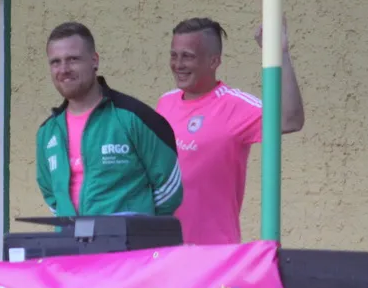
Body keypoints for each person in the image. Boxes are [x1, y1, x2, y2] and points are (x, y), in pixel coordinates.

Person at [156, 17, 305, 245]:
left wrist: (280, 53)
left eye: (188, 56)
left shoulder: (235, 105)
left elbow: (290, 120)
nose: (178, 64)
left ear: (214, 61)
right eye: (174, 55)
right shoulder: (165, 102)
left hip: (215, 251)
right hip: (165, 248)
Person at [36, 22, 182, 217]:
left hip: (128, 237)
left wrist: (138, 225)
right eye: (55, 62)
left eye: (73, 59)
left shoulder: (134, 118)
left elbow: (169, 188)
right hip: (70, 237)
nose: (63, 69)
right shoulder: (48, 132)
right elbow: (52, 195)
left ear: (94, 61)